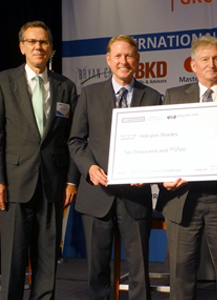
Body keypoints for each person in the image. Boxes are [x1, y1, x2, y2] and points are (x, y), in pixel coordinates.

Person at [0, 21, 79, 300]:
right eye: (32, 41)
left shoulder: (66, 87)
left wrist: (72, 180)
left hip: (54, 184)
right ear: (22, 47)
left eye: (44, 42)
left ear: (51, 49)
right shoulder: (2, 81)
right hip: (13, 185)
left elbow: (73, 139)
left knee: (48, 258)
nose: (38, 46)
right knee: (13, 259)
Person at [157, 35, 217, 300]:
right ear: (192, 64)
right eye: (205, 59)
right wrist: (162, 178)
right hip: (183, 198)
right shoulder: (174, 96)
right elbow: (163, 144)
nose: (211, 64)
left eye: (216, 59)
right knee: (180, 275)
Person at [67, 34, 160, 300]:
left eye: (129, 55)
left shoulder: (152, 97)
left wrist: (148, 173)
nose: (123, 61)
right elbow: (75, 140)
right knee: (96, 269)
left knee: (139, 269)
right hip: (97, 195)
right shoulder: (89, 94)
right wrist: (90, 168)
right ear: (108, 60)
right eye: (118, 56)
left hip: (135, 196)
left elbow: (159, 144)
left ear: (137, 59)